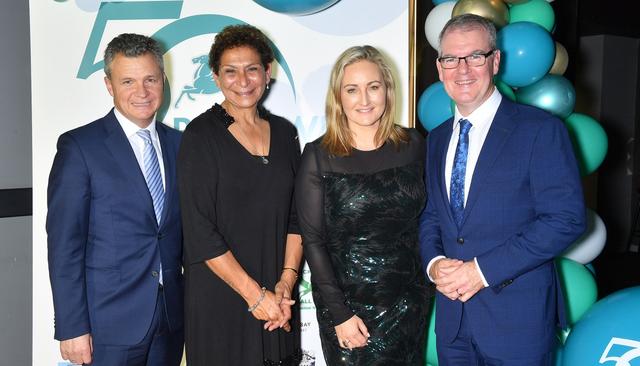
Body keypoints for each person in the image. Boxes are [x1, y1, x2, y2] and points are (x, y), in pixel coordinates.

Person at [419, 14, 586, 365]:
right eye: (451, 59)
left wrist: (480, 271)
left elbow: (565, 219)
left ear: (495, 61)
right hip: (453, 327)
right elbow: (433, 215)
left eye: (475, 56)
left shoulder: (540, 130)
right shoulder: (436, 139)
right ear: (439, 67)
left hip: (517, 326)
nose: (462, 69)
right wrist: (434, 264)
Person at [47, 33, 184, 365]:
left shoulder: (181, 145)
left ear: (163, 81)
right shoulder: (80, 147)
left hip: (170, 321)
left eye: (150, 79)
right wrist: (71, 327)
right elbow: (65, 244)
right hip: (106, 328)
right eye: (128, 81)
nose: (142, 92)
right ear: (109, 85)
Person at [296, 45, 431, 365]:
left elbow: (427, 220)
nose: (365, 99)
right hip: (348, 310)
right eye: (352, 90)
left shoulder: (413, 145)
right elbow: (313, 242)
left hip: (409, 303)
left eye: (374, 87)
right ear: (338, 97)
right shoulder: (318, 156)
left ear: (388, 89)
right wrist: (340, 314)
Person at [177, 24, 303, 366]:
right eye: (230, 72)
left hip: (279, 298)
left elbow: (297, 216)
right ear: (216, 77)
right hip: (222, 297)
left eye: (252, 69)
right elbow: (199, 229)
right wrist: (254, 296)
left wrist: (285, 285)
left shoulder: (285, 132)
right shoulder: (200, 136)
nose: (243, 81)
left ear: (267, 72)